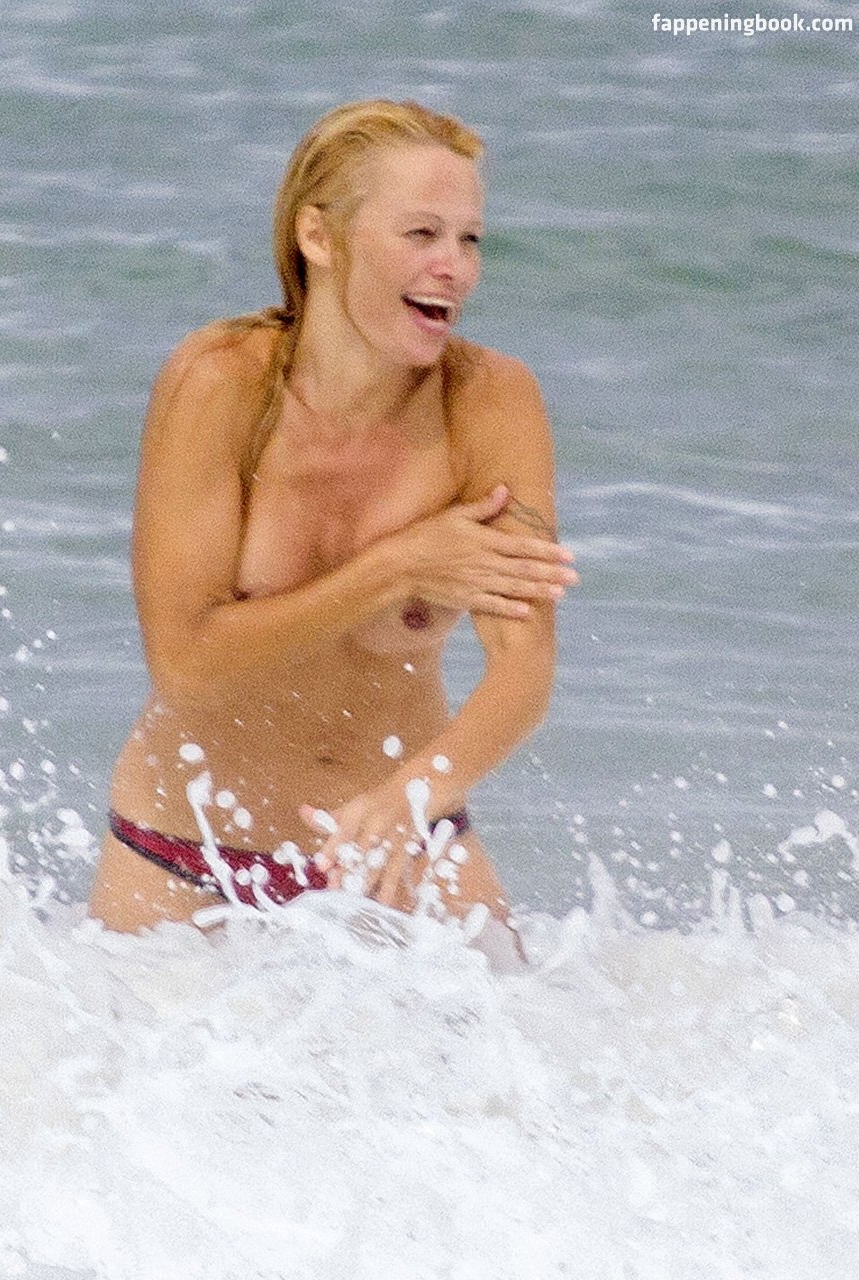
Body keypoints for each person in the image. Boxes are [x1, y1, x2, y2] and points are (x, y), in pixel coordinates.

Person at [88, 99, 577, 960]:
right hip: (184, 856)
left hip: (404, 847)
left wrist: (416, 794)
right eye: (420, 233)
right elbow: (185, 662)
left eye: (469, 239)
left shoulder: (490, 402)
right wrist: (397, 568)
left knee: (531, 1046)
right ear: (319, 236)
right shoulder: (220, 385)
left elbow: (524, 669)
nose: (454, 267)